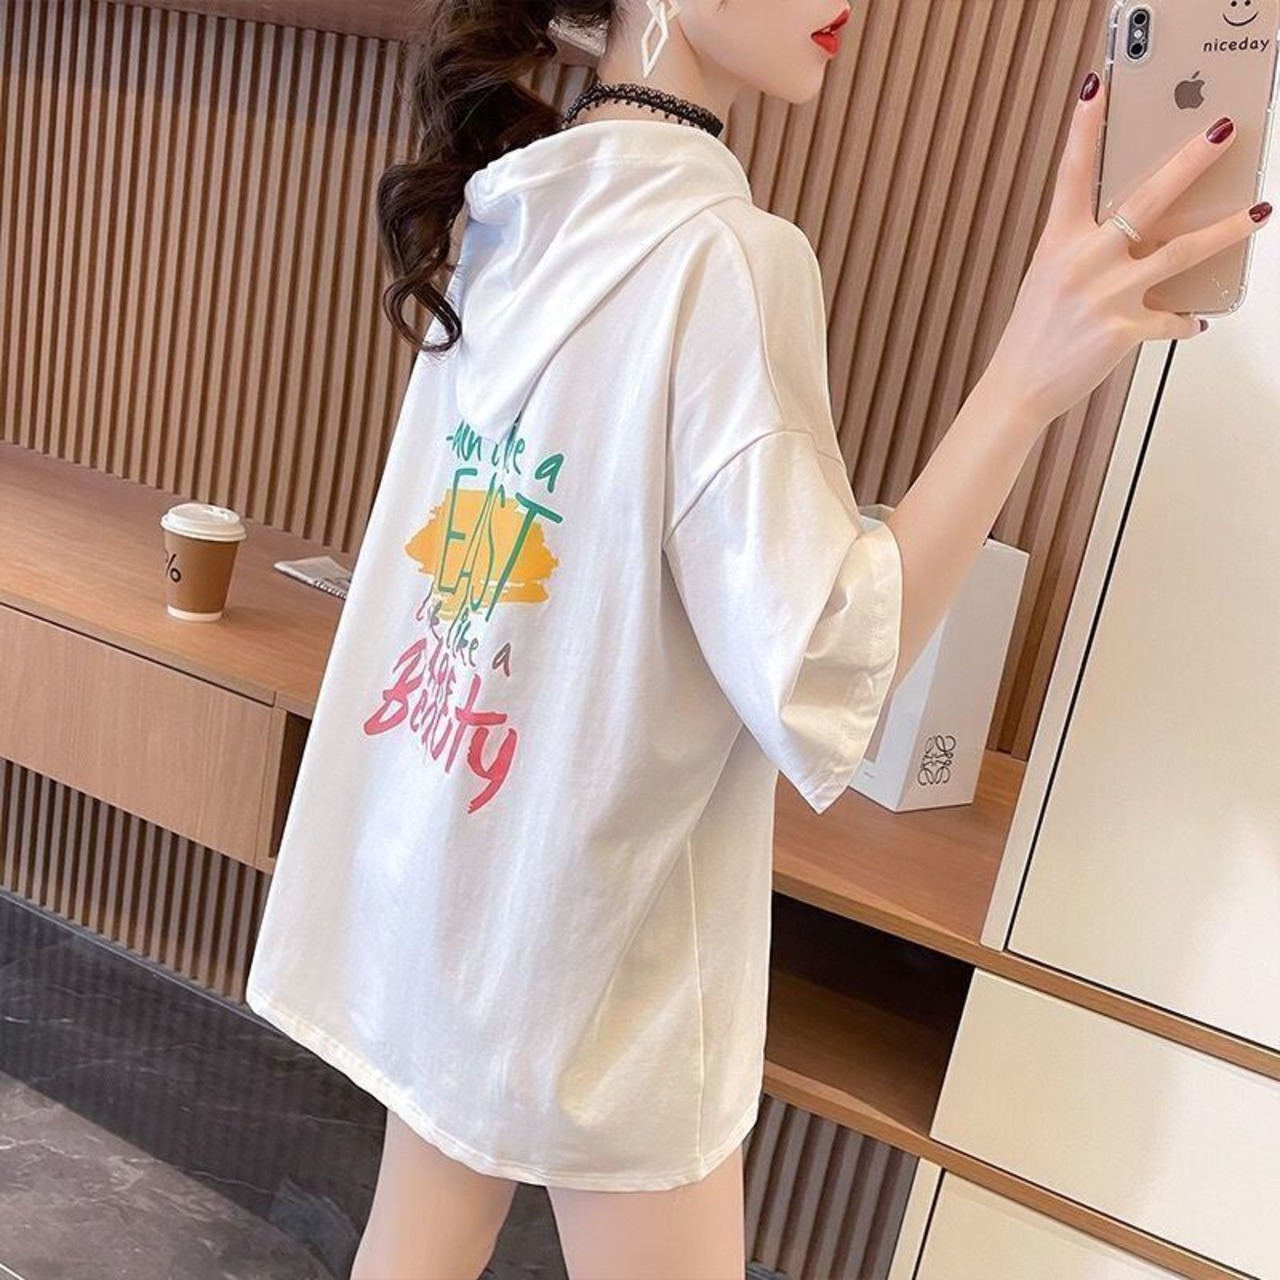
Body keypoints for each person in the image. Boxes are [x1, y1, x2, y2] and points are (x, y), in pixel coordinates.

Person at [241, 1, 1273, 1277]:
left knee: (419, 1237)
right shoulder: (726, 258)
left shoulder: (515, 204)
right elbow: (827, 656)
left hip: (453, 854)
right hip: (604, 929)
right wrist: (1017, 386)